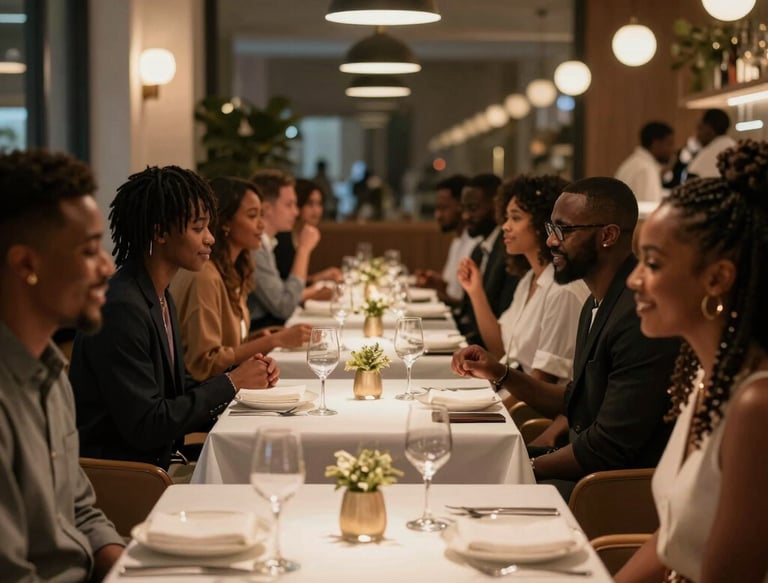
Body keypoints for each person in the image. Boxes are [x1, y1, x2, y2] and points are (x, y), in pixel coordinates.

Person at [452, 177, 679, 500]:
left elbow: (607, 447)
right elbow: (578, 401)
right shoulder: (594, 303)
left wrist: (526, 466)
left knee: (473, 482)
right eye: (549, 230)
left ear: (608, 236)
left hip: (611, 490)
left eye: (563, 231)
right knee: (461, 458)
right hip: (585, 467)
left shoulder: (638, 316)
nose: (551, 242)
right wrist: (499, 372)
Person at [616, 141, 768, 582]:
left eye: (652, 263)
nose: (634, 279)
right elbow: (675, 537)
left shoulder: (756, 402)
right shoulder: (709, 376)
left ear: (718, 278)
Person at [70, 166, 279, 470]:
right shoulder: (123, 306)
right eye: (198, 229)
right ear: (160, 232)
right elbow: (148, 425)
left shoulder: (158, 294)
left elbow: (173, 394)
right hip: (127, 478)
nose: (210, 239)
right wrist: (231, 383)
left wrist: (244, 380)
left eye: (209, 227)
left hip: (156, 464)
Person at [0, 149, 125, 580]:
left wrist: (130, 571)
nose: (107, 267)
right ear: (26, 265)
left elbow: (82, 512)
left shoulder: (50, 373)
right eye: (90, 251)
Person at [171, 177, 311, 381]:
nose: (262, 225)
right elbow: (204, 363)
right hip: (207, 397)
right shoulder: (205, 275)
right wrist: (273, 340)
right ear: (226, 222)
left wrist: (258, 338)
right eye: (253, 216)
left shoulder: (234, 269)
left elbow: (226, 346)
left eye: (262, 215)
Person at [457, 174, 589, 385]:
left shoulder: (564, 289)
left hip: (530, 413)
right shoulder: (529, 279)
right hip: (510, 396)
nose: (505, 226)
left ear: (542, 223)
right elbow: (500, 349)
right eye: (506, 218)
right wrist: (475, 291)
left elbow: (541, 387)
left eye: (515, 218)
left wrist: (492, 410)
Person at [246, 169, 331, 332]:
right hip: (260, 335)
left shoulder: (267, 243)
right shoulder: (255, 249)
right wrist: (304, 250)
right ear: (266, 208)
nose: (296, 211)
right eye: (289, 204)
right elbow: (285, 306)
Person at [455, 173, 518, 346]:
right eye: (464, 208)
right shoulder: (479, 250)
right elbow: (468, 312)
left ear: (496, 206)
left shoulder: (510, 253)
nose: (466, 216)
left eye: (473, 208)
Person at [414, 174, 479, 307]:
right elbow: (451, 290)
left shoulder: (475, 244)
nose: (437, 215)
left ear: (462, 206)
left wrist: (435, 294)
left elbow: (466, 305)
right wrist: (436, 283)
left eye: (443, 208)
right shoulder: (457, 241)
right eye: (437, 208)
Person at [273, 178, 342, 284]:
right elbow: (284, 287)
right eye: (310, 203)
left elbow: (294, 283)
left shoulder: (304, 234)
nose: (316, 210)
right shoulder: (282, 236)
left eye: (319, 204)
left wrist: (319, 277)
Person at [615, 121, 675, 204]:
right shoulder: (646, 169)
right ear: (656, 144)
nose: (672, 150)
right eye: (669, 144)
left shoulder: (635, 162)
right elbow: (648, 210)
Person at [685, 108, 736, 179]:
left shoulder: (702, 159)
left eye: (700, 128)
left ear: (709, 129)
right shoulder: (736, 148)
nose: (697, 135)